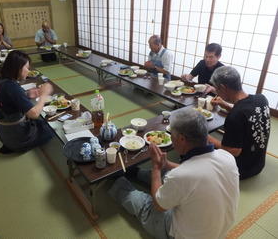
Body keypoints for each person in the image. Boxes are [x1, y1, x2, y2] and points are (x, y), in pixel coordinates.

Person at [108, 109, 239, 239]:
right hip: (217, 231)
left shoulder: (181, 176)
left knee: (144, 203)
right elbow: (198, 172)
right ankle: (136, 173)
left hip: (181, 233)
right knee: (167, 172)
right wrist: (166, 165)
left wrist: (155, 167)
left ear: (182, 139)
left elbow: (159, 205)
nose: (170, 137)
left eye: (172, 134)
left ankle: (118, 179)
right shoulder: (226, 157)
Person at [208, 66, 270, 179]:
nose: (217, 93)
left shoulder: (235, 115)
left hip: (241, 170)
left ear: (222, 87)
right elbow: (247, 117)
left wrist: (206, 136)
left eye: (216, 89)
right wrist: (226, 106)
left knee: (201, 145)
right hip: (258, 164)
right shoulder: (261, 99)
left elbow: (233, 151)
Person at [0, 50, 54, 154]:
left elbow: (10, 102)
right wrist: (44, 94)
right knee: (50, 130)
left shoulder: (2, 80)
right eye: (26, 67)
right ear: (17, 68)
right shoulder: (12, 87)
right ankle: (17, 147)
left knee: (41, 123)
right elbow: (34, 114)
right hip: (17, 137)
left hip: (4, 132)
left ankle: (10, 145)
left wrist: (27, 96)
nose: (28, 70)